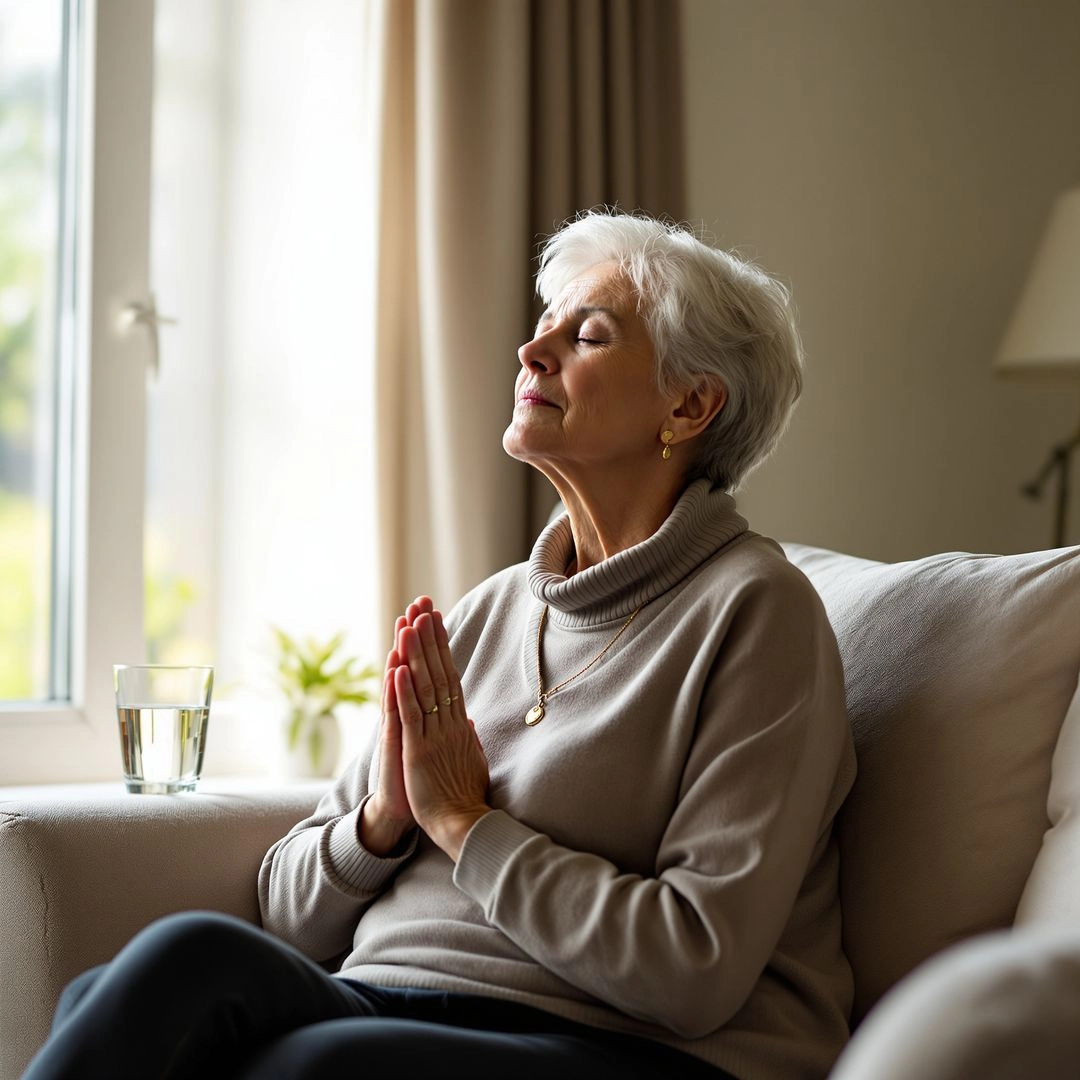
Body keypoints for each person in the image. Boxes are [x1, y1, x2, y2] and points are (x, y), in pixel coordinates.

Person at [22, 211, 855, 1080]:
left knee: (308, 1065)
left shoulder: (758, 615)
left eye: (589, 336)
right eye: (542, 332)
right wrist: (383, 821)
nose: (533, 355)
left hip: (629, 1044)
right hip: (386, 997)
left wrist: (463, 822)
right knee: (170, 967)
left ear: (689, 405)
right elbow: (286, 912)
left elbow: (695, 968)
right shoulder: (488, 613)